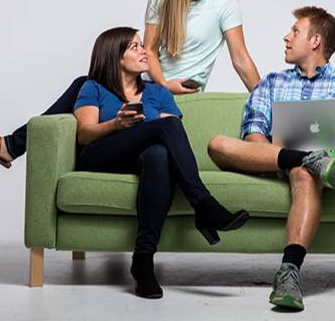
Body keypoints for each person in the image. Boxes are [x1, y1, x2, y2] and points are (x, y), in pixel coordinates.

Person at [0, 0, 260, 168]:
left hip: (175, 93)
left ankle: (12, 145)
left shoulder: (224, 2)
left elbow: (241, 59)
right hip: (145, 85)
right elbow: (150, 51)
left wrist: (265, 100)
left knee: (84, 85)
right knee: (86, 86)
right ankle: (16, 146)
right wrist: (160, 82)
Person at [208, 6, 335, 311]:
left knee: (305, 173)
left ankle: (289, 272)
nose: (287, 37)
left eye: (295, 31)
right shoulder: (272, 83)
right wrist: (285, 156)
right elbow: (254, 137)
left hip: (334, 166)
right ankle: (305, 158)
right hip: (279, 161)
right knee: (218, 144)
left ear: (315, 41)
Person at [74, 26, 248, 298]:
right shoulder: (93, 87)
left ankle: (143, 261)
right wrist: (115, 124)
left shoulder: (157, 93)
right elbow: (84, 133)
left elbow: (172, 136)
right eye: (135, 47)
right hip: (101, 154)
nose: (145, 51)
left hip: (141, 159)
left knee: (159, 154)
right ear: (115, 56)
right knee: (165, 129)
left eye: (142, 45)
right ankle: (203, 204)